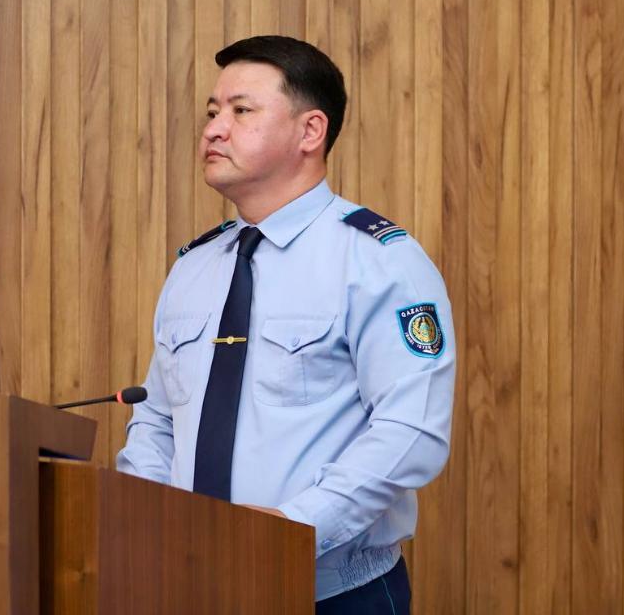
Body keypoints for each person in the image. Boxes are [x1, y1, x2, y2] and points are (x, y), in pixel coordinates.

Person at [116, 35, 455, 614]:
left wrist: (292, 530)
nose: (215, 129)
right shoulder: (195, 268)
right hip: (190, 586)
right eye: (212, 112)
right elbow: (157, 417)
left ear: (310, 131)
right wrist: (153, 520)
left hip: (334, 595)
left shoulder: (378, 261)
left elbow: (411, 430)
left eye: (241, 110)